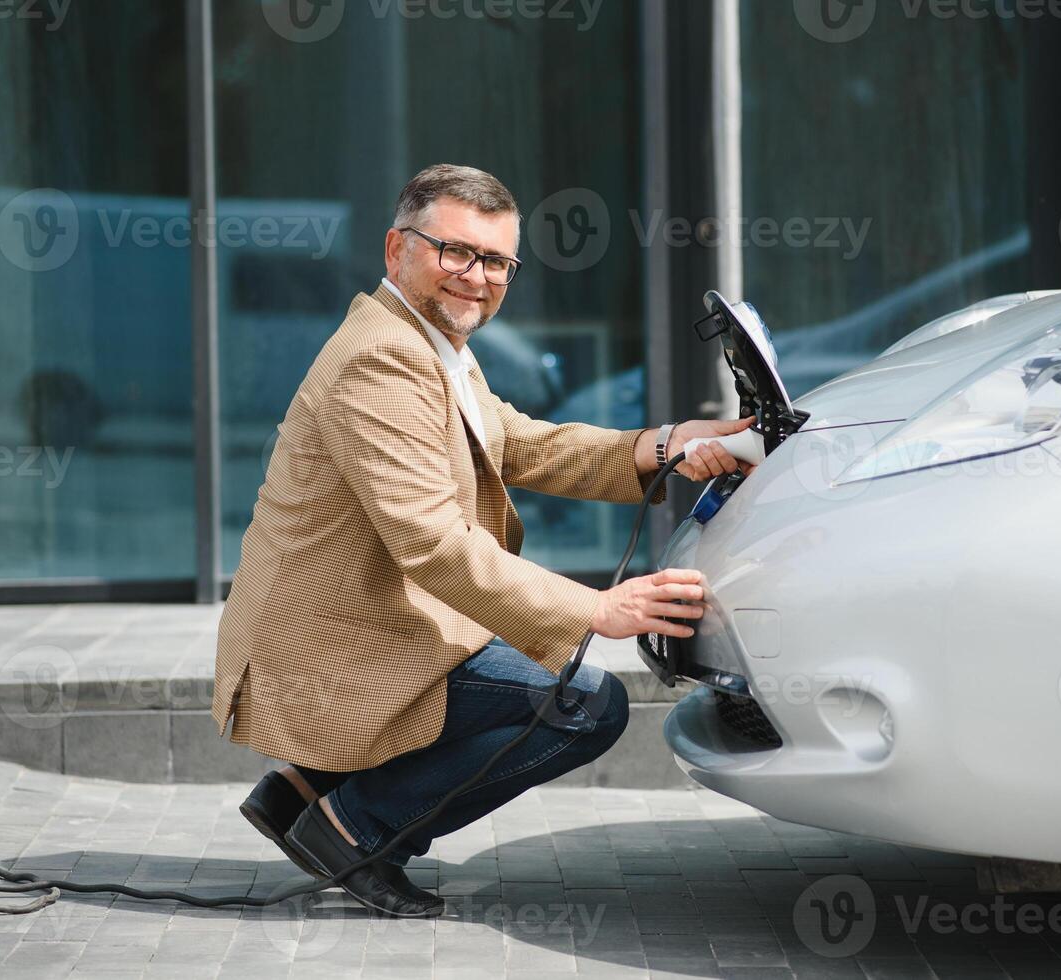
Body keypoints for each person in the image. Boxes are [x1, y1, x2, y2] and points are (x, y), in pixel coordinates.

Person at [212, 163, 754, 916]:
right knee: (582, 704)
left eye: (497, 261)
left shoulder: (424, 338)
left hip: (357, 620)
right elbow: (433, 544)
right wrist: (597, 610)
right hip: (328, 645)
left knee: (524, 663)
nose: (477, 277)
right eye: (456, 252)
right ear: (396, 248)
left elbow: (527, 446)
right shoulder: (382, 359)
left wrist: (667, 443)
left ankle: (302, 790)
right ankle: (355, 827)